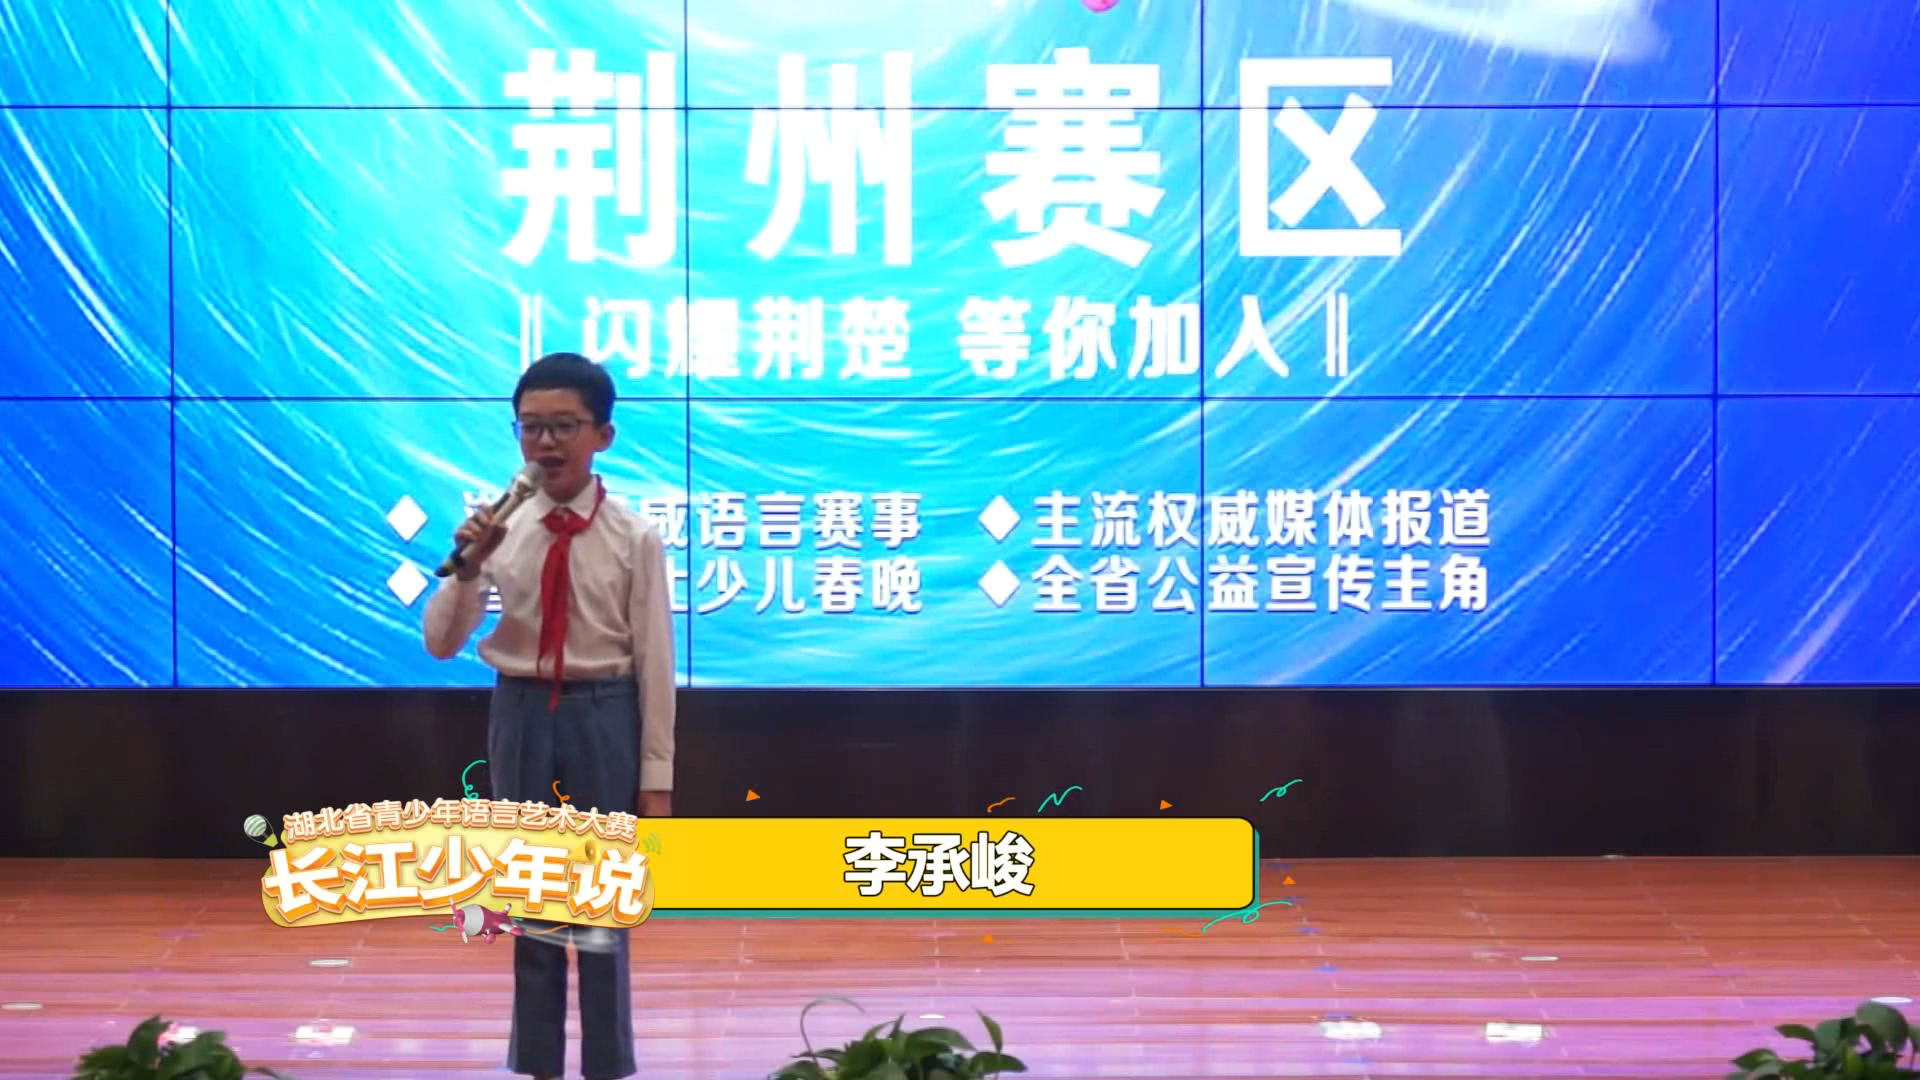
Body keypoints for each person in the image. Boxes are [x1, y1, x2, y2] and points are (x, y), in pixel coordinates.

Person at [422, 351, 676, 1080]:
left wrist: (656, 778)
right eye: (530, 427)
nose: (545, 443)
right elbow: (441, 643)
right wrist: (470, 566)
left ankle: (607, 1064)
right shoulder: (501, 528)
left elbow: (656, 661)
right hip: (521, 712)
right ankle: (538, 1064)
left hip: (605, 715)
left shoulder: (634, 536)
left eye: (564, 426)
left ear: (603, 436)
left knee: (601, 906)